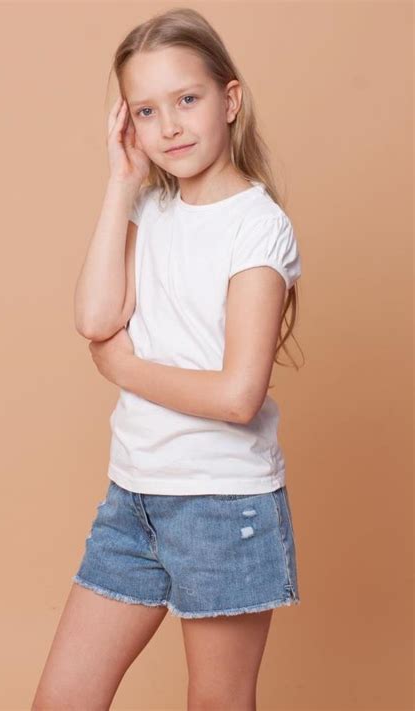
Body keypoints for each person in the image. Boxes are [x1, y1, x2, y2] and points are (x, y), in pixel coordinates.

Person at [32, 7, 303, 710]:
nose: (170, 127)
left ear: (230, 100)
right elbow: (95, 318)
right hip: (133, 497)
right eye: (147, 111)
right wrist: (121, 182)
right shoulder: (148, 213)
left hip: (223, 505)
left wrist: (123, 369)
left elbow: (238, 395)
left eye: (187, 99)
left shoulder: (257, 226)